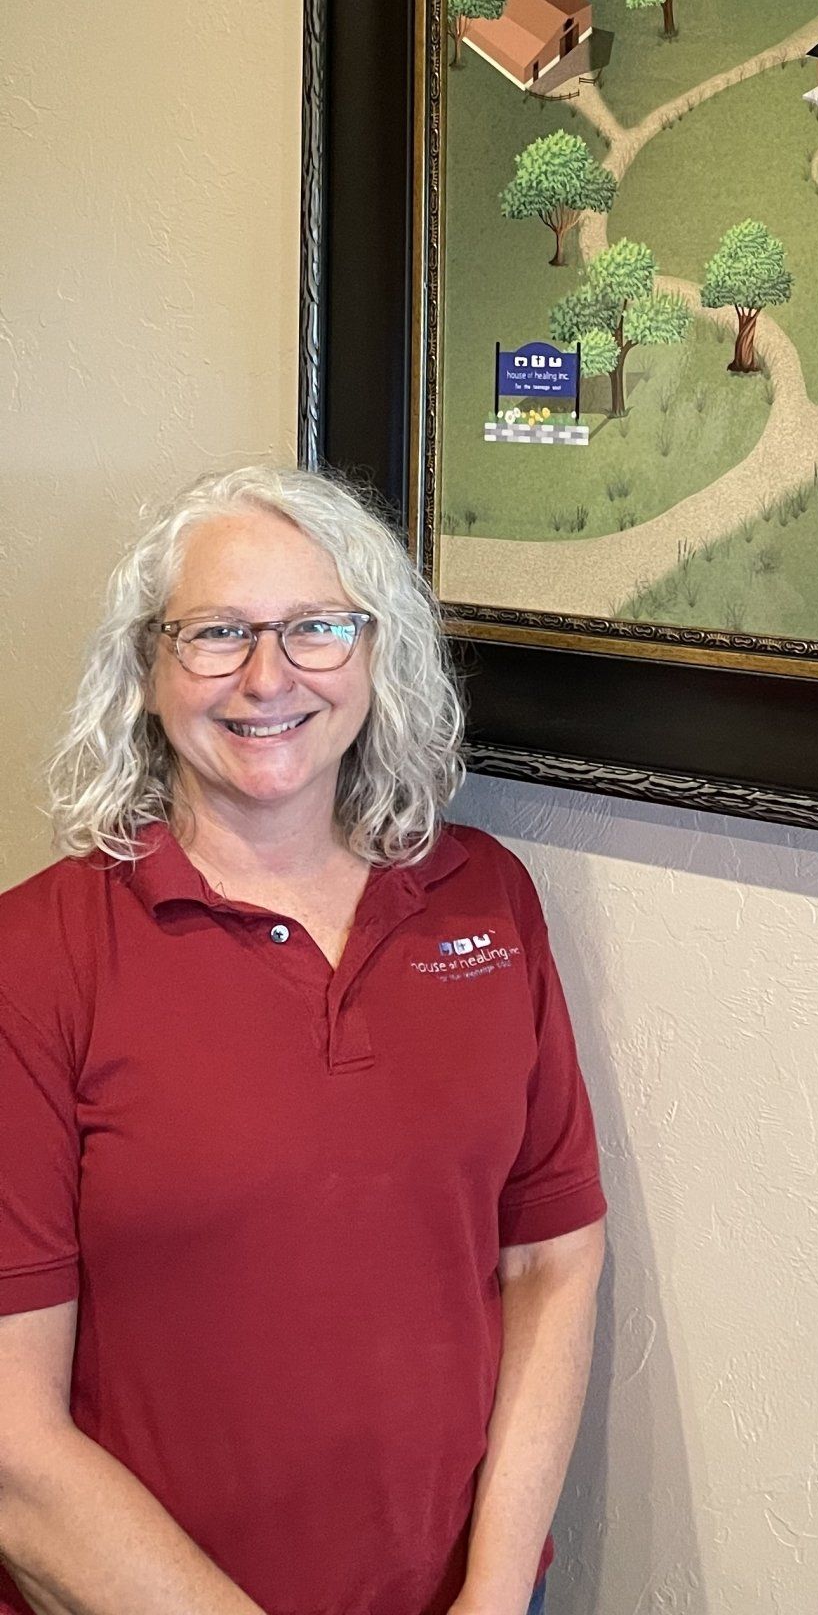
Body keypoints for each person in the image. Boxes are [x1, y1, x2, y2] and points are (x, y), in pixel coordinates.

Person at [0, 466, 606, 1615]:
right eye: (217, 633)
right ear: (146, 670)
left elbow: (553, 1260)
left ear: (378, 658)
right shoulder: (36, 958)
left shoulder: (488, 900)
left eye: (318, 628)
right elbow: (13, 1451)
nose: (269, 677)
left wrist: (490, 1594)